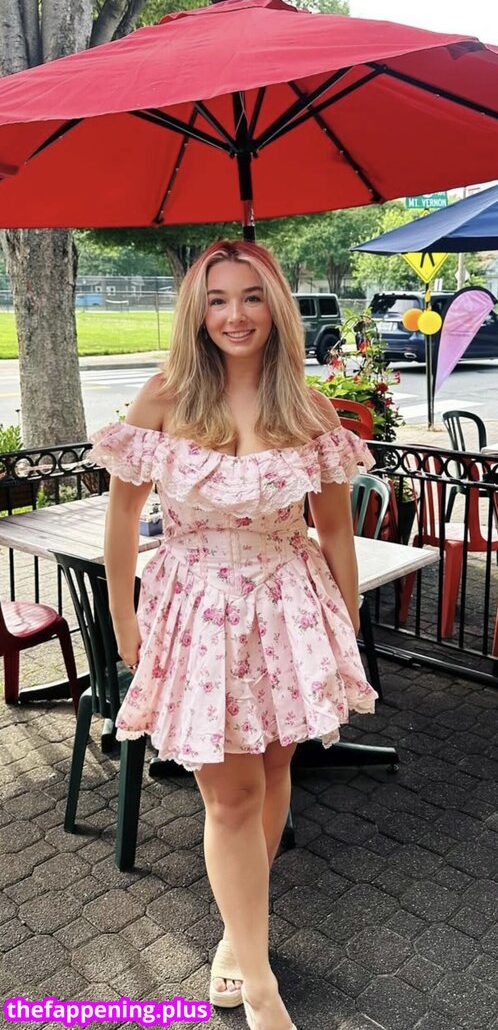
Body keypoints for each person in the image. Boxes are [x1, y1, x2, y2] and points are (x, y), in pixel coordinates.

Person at [88, 240, 377, 1030]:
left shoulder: (308, 409)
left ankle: (237, 936)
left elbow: (334, 530)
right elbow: (121, 518)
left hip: (288, 606)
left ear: (276, 307)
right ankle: (261, 988)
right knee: (230, 795)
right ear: (197, 310)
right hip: (197, 611)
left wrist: (345, 622)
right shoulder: (165, 397)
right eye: (217, 299)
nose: (235, 315)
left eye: (251, 296)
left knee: (275, 769)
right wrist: (123, 618)